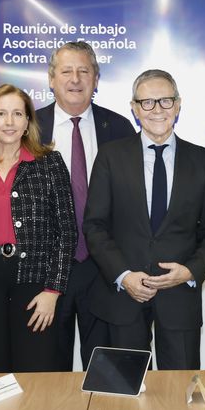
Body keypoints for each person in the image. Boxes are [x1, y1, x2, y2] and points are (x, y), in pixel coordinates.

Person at [83, 69, 205, 370]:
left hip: (179, 299)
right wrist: (123, 275)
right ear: (134, 108)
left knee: (181, 395)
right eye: (147, 102)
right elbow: (95, 226)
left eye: (165, 101)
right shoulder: (110, 157)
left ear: (178, 105)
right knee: (125, 394)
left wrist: (189, 271)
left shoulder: (204, 162)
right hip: (123, 299)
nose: (157, 110)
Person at [0, 85, 76, 373]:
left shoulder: (49, 163)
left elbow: (67, 231)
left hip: (36, 284)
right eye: (1, 114)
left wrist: (53, 290)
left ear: (27, 122)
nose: (9, 122)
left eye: (17, 114)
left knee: (36, 372)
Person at [35, 41, 136, 370]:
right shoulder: (29, 129)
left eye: (84, 71)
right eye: (66, 71)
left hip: (104, 270)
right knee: (48, 372)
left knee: (107, 372)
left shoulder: (119, 128)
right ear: (51, 79)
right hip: (48, 271)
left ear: (96, 78)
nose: (75, 79)